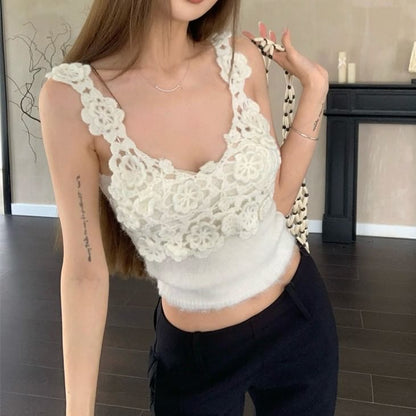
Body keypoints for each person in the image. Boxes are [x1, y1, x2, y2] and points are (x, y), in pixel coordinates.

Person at [39, 1, 338, 415]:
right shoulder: (71, 98)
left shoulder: (241, 59)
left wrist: (315, 90)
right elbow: (83, 273)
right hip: (194, 359)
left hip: (298, 317)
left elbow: (276, 202)